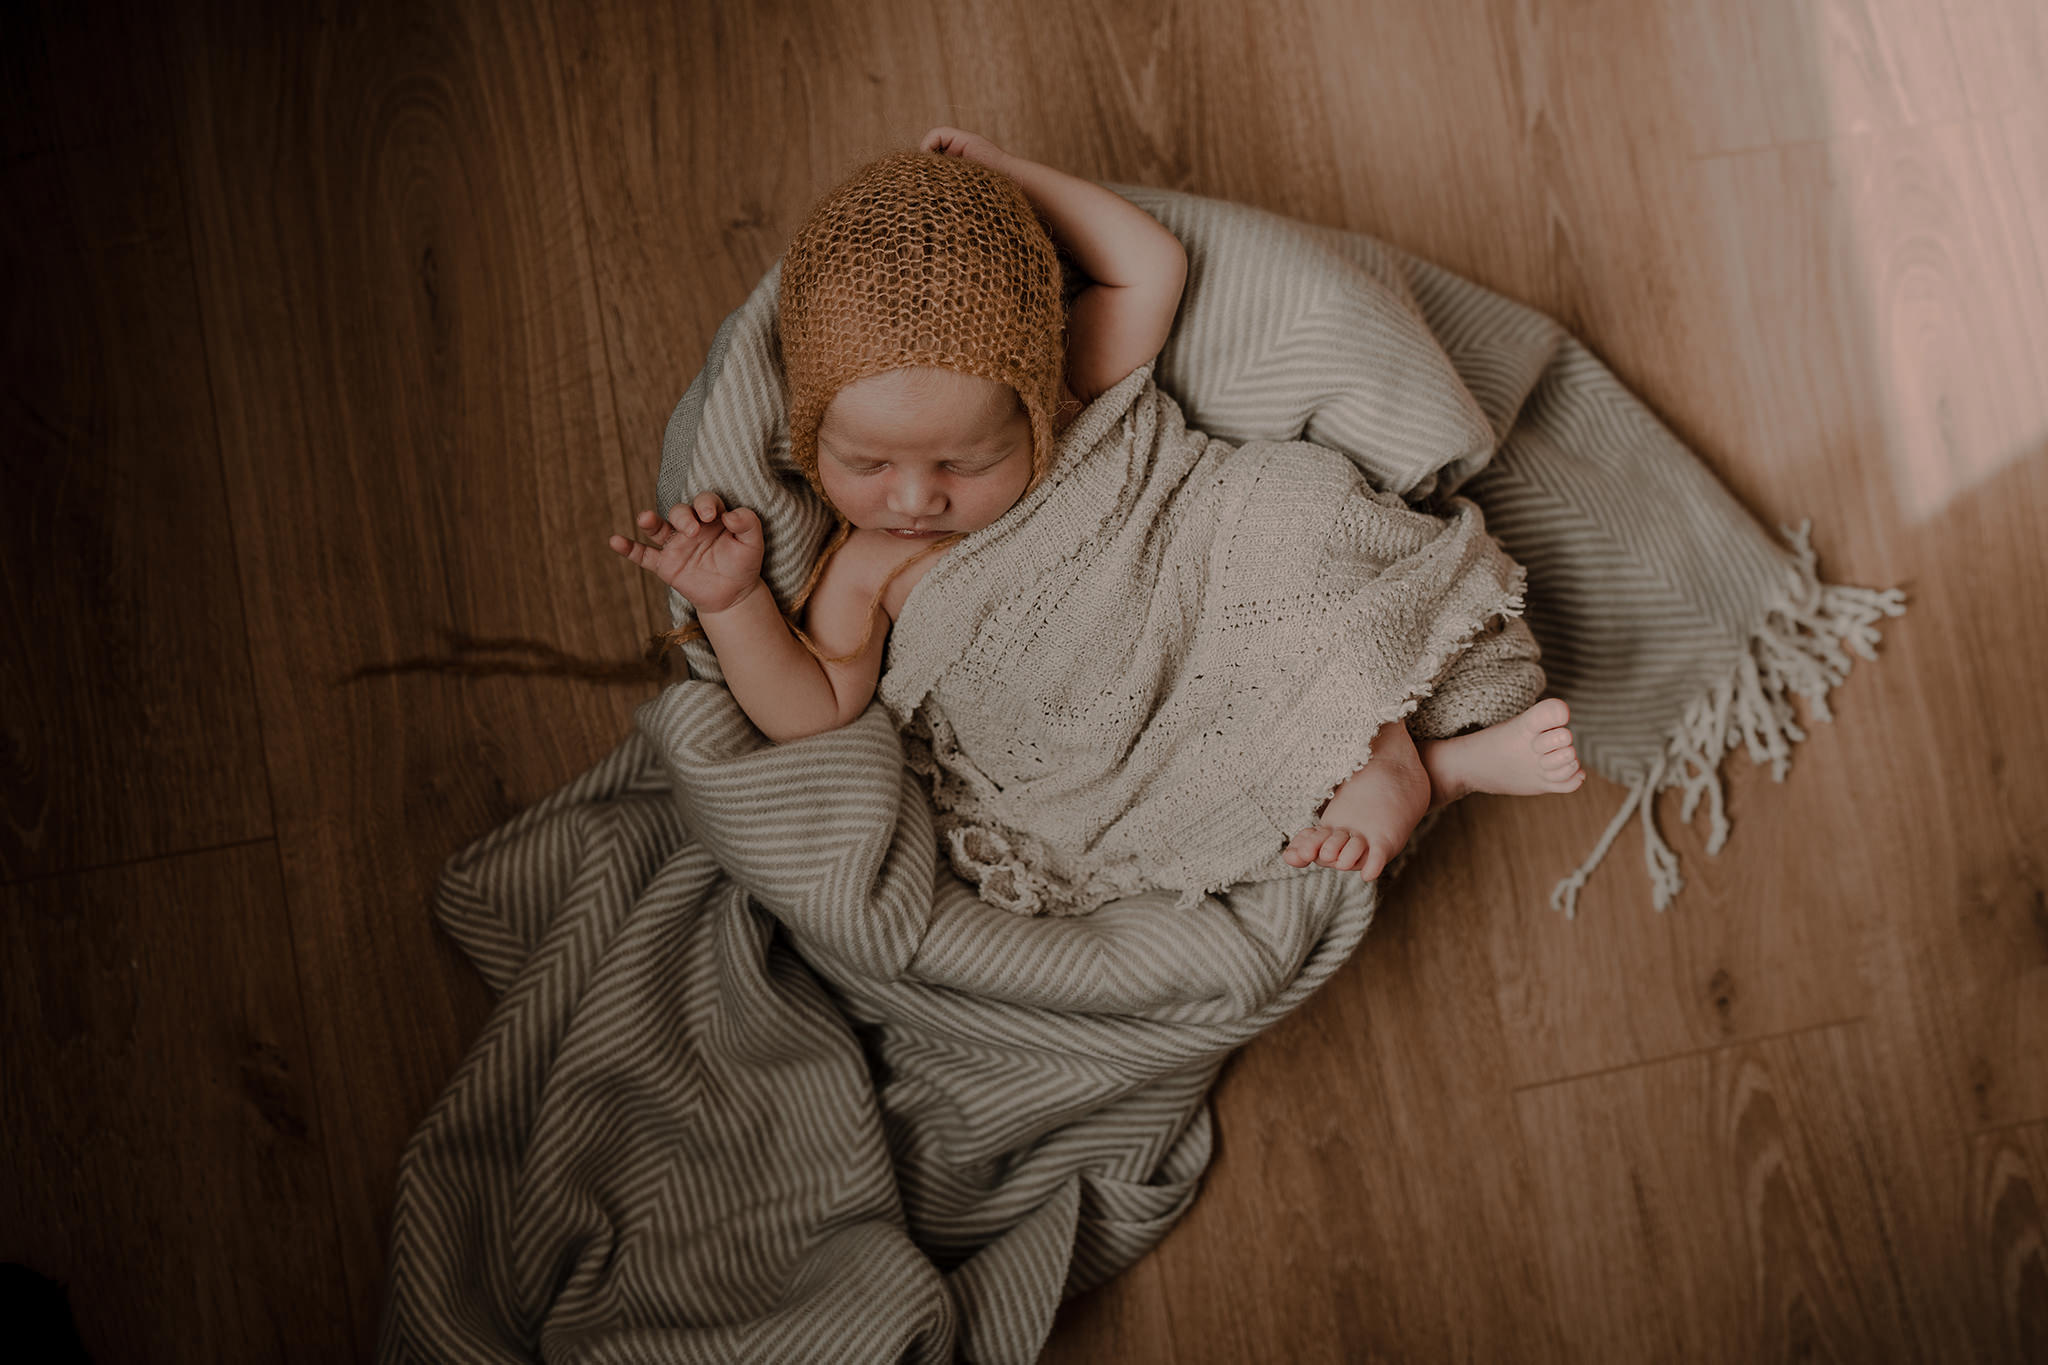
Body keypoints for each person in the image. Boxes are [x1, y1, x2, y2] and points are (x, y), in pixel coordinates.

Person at [609, 128, 1584, 896]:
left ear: (1030, 399)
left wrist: (1003, 173)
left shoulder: (1068, 390)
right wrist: (733, 601)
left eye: (965, 460)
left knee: (1289, 514)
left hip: (1200, 563)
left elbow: (1148, 265)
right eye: (864, 463)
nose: (914, 498)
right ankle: (1428, 769)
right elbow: (812, 710)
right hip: (1101, 703)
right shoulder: (868, 565)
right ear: (808, 432)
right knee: (1182, 733)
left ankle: (1392, 760)